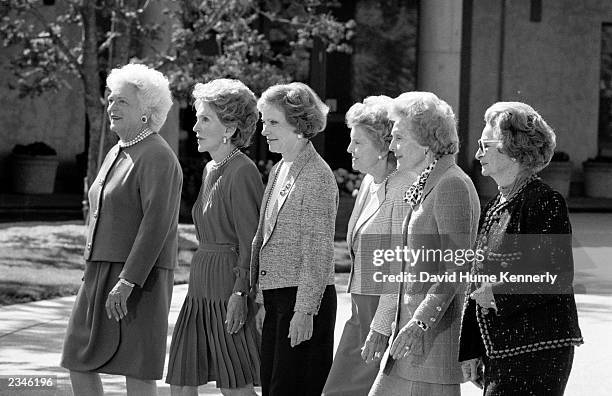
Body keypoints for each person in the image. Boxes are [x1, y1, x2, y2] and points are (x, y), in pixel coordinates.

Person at [61, 63, 182, 395]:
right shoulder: (117, 150)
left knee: (138, 369)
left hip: (139, 278)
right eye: (111, 100)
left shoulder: (158, 155)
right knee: (77, 358)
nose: (112, 108)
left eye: (122, 102)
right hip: (99, 271)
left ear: (146, 111)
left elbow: (157, 223)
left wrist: (128, 280)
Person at [459, 101, 584, 395]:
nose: (478, 154)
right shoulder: (495, 206)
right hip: (501, 350)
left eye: (485, 144)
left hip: (536, 351)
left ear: (513, 148)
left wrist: (497, 292)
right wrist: (472, 349)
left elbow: (555, 274)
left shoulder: (543, 201)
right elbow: (475, 281)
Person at [367, 92, 480, 396]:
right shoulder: (429, 181)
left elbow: (457, 267)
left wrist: (420, 323)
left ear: (427, 140)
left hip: (430, 349)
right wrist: (384, 326)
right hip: (407, 348)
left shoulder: (452, 184)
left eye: (399, 138)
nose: (392, 147)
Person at [165, 79, 264, 396]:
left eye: (204, 119)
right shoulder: (211, 168)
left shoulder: (242, 170)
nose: (194, 127)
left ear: (231, 127)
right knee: (182, 381)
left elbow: (252, 240)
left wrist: (240, 293)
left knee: (235, 385)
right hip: (199, 287)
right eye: (197, 117)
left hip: (226, 288)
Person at [323, 96, 416, 395]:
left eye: (358, 143)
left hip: (381, 312)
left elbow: (399, 267)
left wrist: (380, 327)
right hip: (360, 309)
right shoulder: (368, 183)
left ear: (383, 146)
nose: (349, 149)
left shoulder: (403, 187)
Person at [250, 82, 338, 396]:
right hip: (277, 300)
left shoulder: (316, 175)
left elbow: (318, 249)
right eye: (263, 121)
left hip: (302, 302)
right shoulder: (279, 170)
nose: (264, 130)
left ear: (299, 124)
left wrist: (304, 311)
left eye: (273, 122)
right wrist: (263, 299)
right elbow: (266, 237)